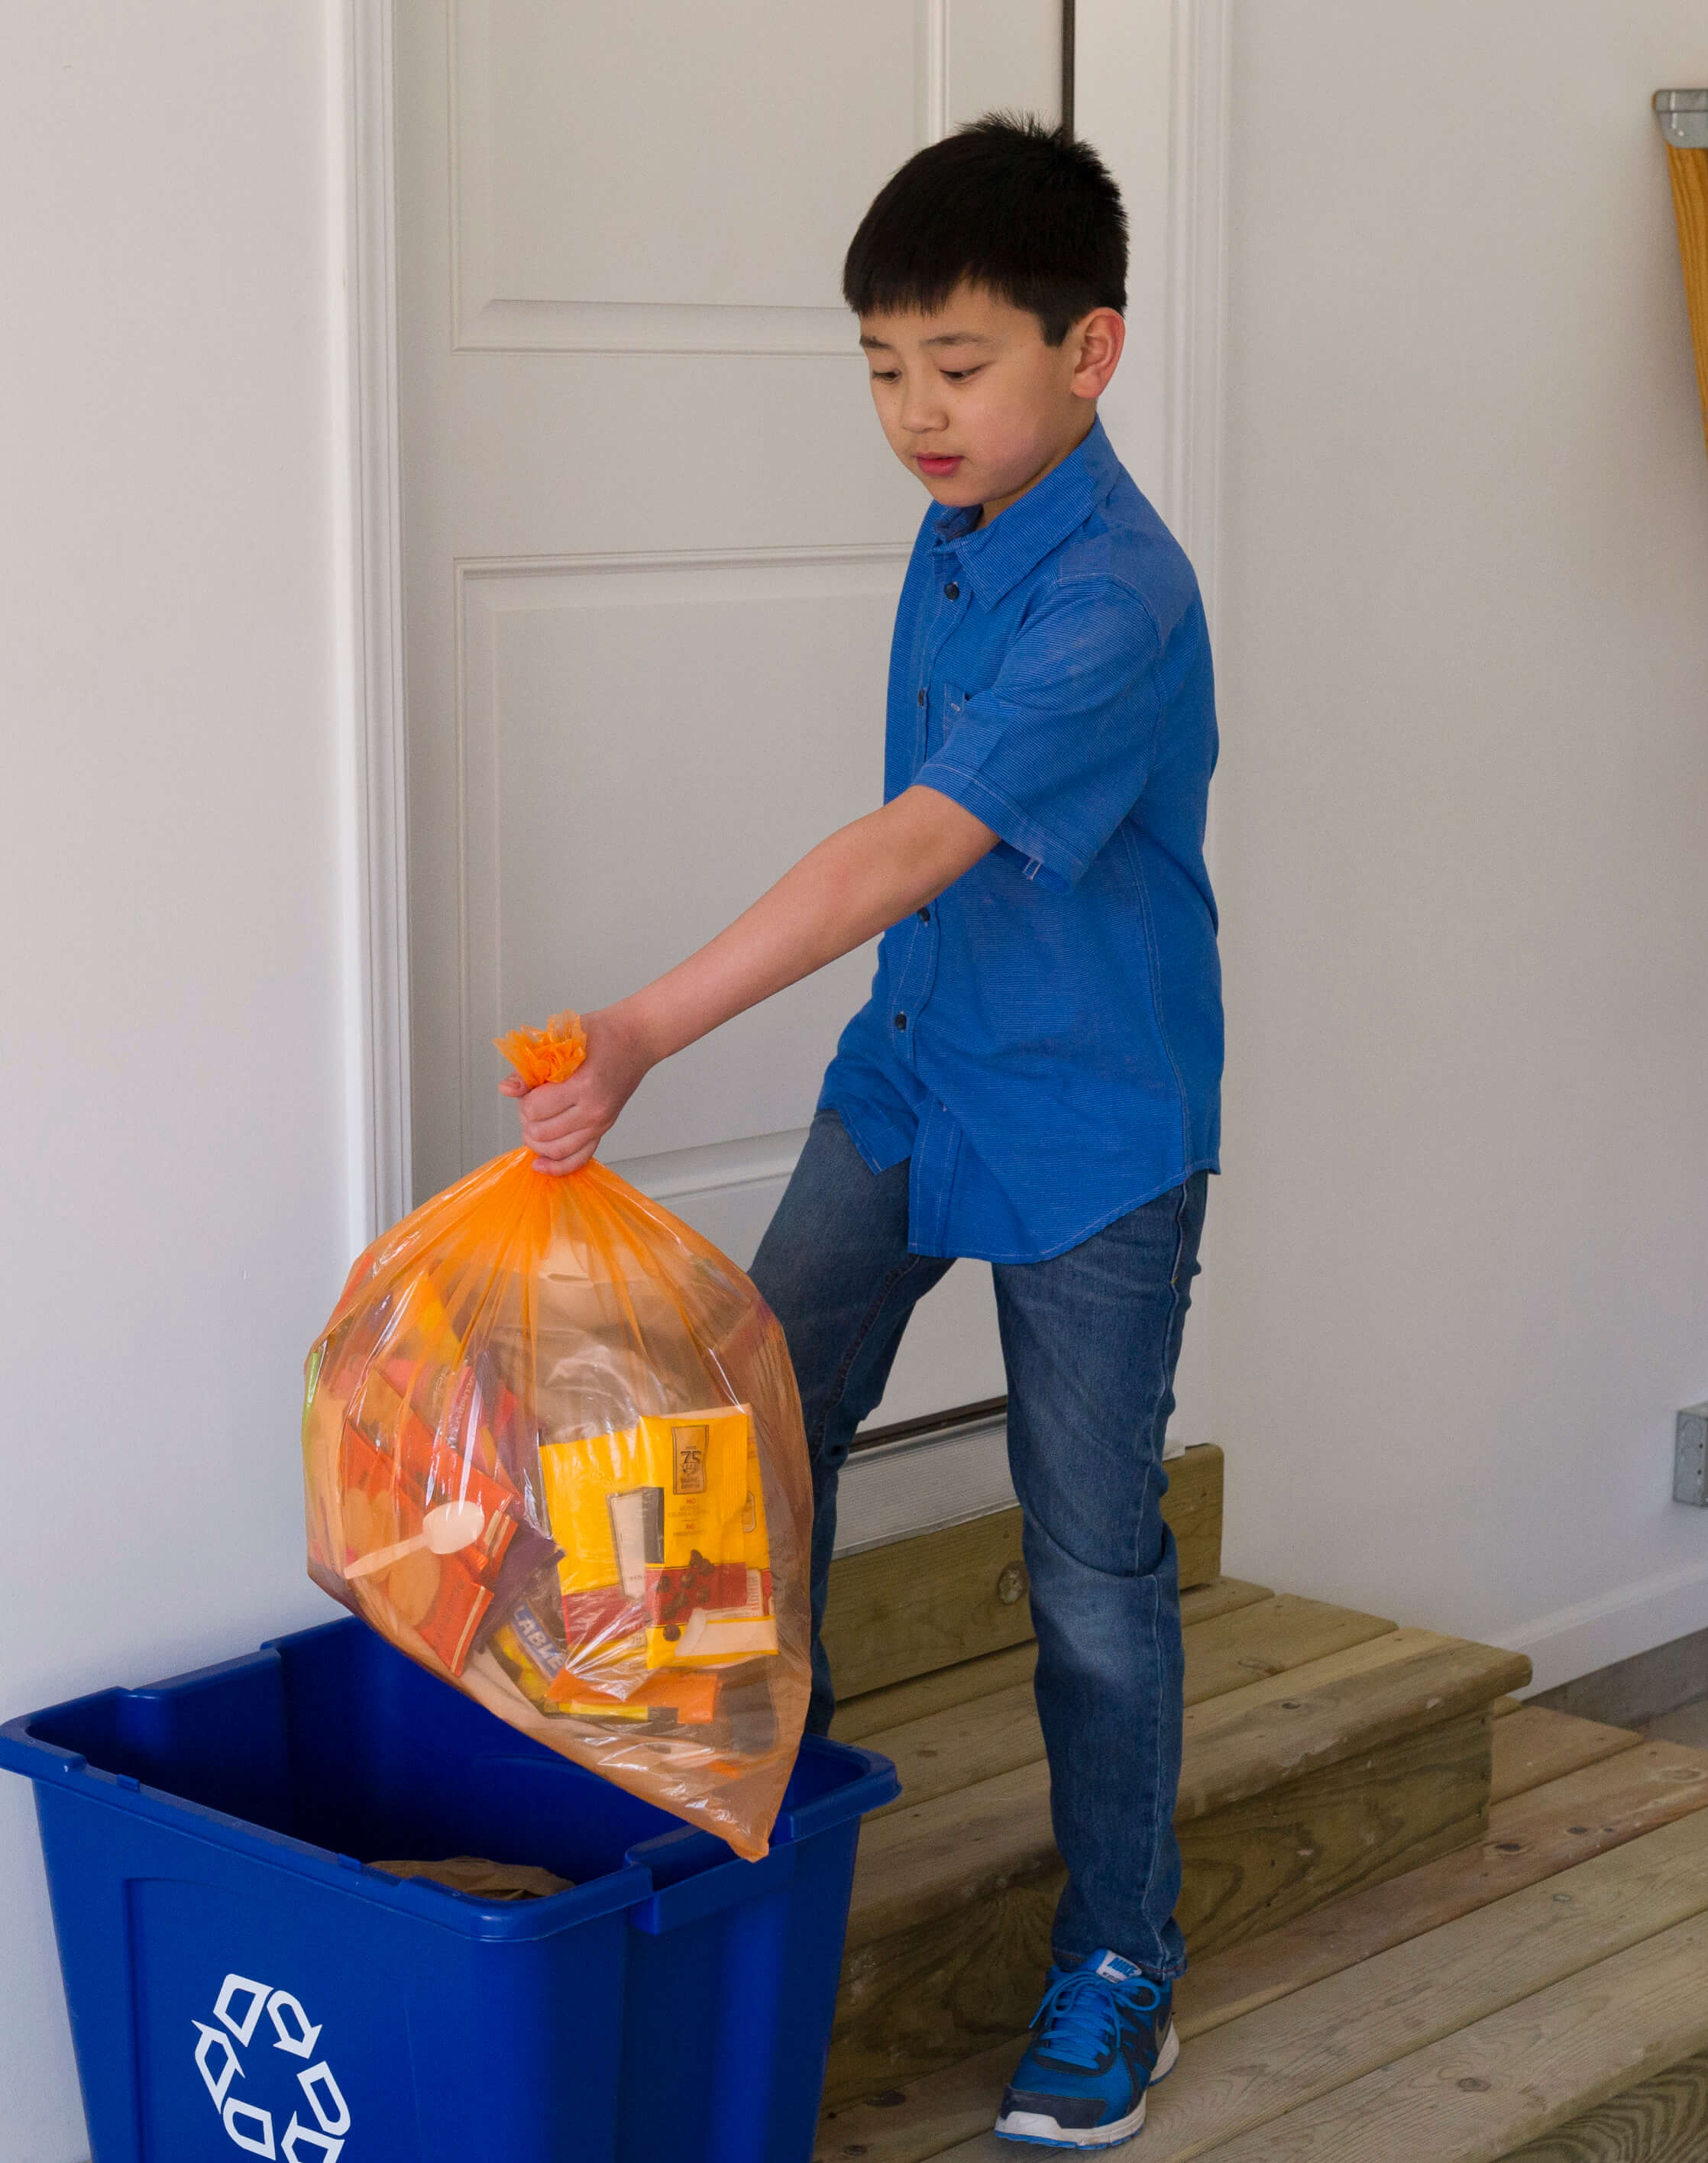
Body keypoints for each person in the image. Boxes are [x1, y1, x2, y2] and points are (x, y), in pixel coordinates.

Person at [503, 115, 1218, 2152]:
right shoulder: (967, 518)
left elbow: (915, 843)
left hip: (1096, 1126)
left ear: (1092, 353)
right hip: (915, 1075)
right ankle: (720, 1846)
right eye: (885, 368)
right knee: (742, 1449)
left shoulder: (1121, 597)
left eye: (961, 365)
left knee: (1088, 1565)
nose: (917, 411)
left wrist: (645, 1024)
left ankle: (1122, 1961)